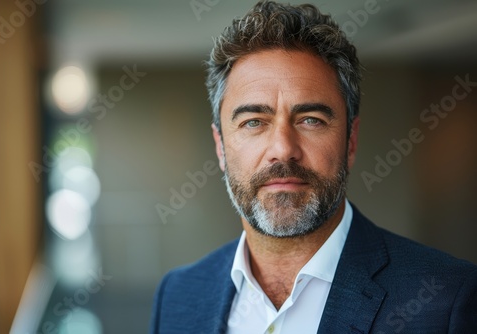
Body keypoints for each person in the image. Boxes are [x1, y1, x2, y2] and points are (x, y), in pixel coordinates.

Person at [150, 1, 477, 333]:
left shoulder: (447, 300)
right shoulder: (178, 295)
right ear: (220, 145)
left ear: (350, 140)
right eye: (253, 122)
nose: (283, 149)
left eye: (310, 120)